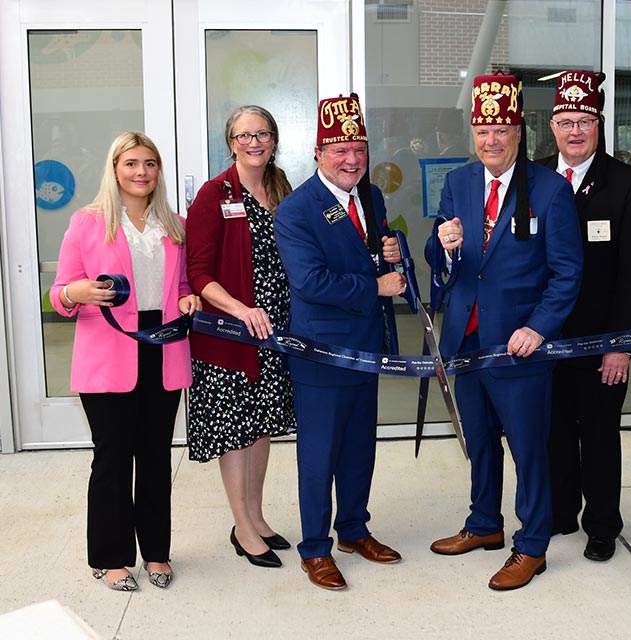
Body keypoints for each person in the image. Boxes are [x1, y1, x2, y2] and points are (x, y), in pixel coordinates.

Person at [427, 72, 583, 591]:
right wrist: (443, 245)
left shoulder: (551, 189)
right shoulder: (460, 182)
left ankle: (532, 544)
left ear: (519, 132)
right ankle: (484, 525)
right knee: (479, 443)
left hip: (519, 346)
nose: (490, 140)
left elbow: (567, 272)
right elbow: (440, 262)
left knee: (527, 447)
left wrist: (538, 329)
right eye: (482, 129)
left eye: (501, 129)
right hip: (466, 340)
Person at [50, 132, 201, 591]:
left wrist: (190, 298)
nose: (141, 172)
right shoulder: (86, 223)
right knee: (112, 459)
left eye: (150, 164)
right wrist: (75, 294)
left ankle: (156, 553)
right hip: (108, 353)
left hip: (164, 349)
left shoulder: (175, 225)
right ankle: (112, 558)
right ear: (114, 169)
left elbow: (179, 288)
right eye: (132, 163)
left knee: (156, 458)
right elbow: (60, 293)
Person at [274, 93, 406, 591]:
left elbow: (371, 256)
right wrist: (375, 286)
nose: (351, 160)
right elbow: (310, 282)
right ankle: (314, 549)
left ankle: (353, 529)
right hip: (322, 353)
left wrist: (390, 252)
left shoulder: (370, 197)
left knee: (358, 448)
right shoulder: (297, 209)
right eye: (339, 150)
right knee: (320, 452)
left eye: (359, 149)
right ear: (318, 154)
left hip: (367, 347)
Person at [536, 70, 631, 562]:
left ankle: (603, 523)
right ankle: (562, 512)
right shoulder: (535, 178)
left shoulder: (629, 185)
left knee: (601, 434)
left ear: (599, 124)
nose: (575, 131)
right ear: (551, 126)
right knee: (554, 430)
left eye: (585, 121)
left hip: (601, 339)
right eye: (565, 121)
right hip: (545, 339)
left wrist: (621, 344)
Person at [186, 105, 296, 569]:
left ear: (273, 140)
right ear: (230, 142)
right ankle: (243, 529)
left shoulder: (281, 187)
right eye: (244, 134)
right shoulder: (215, 194)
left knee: (261, 427)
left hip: (274, 335)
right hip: (231, 335)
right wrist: (240, 311)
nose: (255, 142)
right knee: (235, 431)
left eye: (263, 133)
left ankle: (256, 515)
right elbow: (199, 273)